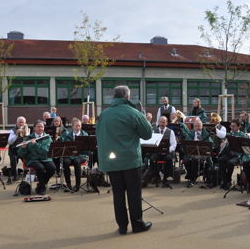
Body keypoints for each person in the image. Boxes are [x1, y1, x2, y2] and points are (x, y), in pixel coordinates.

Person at [97, 85, 153, 235]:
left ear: (114, 97)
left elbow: (99, 136)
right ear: (127, 97)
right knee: (134, 192)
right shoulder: (133, 113)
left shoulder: (104, 114)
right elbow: (147, 134)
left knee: (118, 193)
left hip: (112, 160)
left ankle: (122, 226)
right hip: (130, 159)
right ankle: (137, 224)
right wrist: (146, 121)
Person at [18, 120, 55, 195]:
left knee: (52, 168)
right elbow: (22, 155)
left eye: (42, 127)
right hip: (32, 159)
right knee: (40, 168)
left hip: (45, 158)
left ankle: (41, 184)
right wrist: (23, 148)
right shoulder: (29, 138)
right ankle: (42, 187)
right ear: (34, 128)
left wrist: (35, 144)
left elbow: (46, 151)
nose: (40, 128)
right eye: (38, 127)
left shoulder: (47, 138)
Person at [217, 119, 250, 190]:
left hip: (238, 155)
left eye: (234, 126)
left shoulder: (242, 135)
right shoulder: (229, 134)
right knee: (220, 160)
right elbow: (225, 150)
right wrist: (224, 145)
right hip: (230, 154)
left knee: (230, 163)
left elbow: (246, 148)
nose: (232, 128)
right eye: (231, 126)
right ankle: (225, 180)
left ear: (239, 126)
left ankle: (228, 181)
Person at [183, 119, 214, 188]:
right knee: (186, 160)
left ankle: (192, 179)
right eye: (196, 126)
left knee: (195, 159)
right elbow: (186, 144)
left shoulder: (206, 134)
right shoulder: (191, 134)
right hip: (191, 153)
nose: (197, 127)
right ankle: (191, 174)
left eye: (199, 126)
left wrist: (201, 144)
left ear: (202, 126)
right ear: (193, 127)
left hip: (202, 153)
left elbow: (212, 145)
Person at [62, 118, 90, 192]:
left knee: (76, 162)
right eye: (76, 126)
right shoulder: (67, 136)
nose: (78, 128)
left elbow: (87, 149)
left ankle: (77, 184)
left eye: (79, 126)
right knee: (65, 162)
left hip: (81, 155)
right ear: (72, 126)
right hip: (70, 155)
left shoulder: (84, 134)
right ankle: (68, 184)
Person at [150, 116, 177, 188]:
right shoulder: (154, 132)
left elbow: (173, 145)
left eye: (163, 122)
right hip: (157, 153)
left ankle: (165, 177)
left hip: (167, 153)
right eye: (160, 122)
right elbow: (152, 144)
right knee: (152, 159)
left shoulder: (171, 132)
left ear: (167, 123)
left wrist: (167, 151)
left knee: (168, 159)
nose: (161, 124)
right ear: (158, 122)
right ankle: (157, 177)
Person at [7, 116, 27, 184]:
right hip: (15, 149)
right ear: (16, 123)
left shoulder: (27, 129)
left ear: (25, 123)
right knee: (14, 157)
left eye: (22, 122)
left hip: (24, 148)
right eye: (19, 122)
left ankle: (27, 171)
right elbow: (10, 142)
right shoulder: (12, 131)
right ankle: (14, 174)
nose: (21, 124)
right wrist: (16, 134)